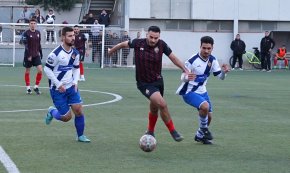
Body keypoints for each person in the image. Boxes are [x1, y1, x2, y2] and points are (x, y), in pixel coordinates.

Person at [108, 26, 188, 142]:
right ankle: (173, 131)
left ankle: (150, 131)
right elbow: (122, 44)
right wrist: (111, 50)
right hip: (144, 83)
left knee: (154, 108)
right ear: (147, 35)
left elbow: (173, 58)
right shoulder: (137, 43)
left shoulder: (162, 45)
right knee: (162, 104)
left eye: (156, 38)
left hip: (158, 81)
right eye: (151, 37)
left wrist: (184, 69)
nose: (153, 40)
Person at [176, 36, 229, 144]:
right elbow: (182, 77)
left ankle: (200, 136)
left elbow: (221, 77)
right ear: (200, 47)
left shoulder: (213, 60)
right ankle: (204, 130)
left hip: (203, 91)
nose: (206, 51)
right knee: (205, 107)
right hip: (189, 91)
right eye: (204, 48)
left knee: (209, 117)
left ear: (212, 48)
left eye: (208, 48)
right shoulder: (192, 60)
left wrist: (224, 72)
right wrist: (186, 77)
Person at [44, 26, 90, 143]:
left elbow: (76, 68)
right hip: (57, 90)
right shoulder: (55, 54)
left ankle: (80, 136)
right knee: (66, 117)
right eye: (70, 36)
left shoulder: (75, 53)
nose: (73, 38)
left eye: (73, 35)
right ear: (63, 37)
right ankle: (51, 111)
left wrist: (75, 82)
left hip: (71, 87)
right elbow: (47, 69)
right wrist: (58, 84)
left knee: (78, 110)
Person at [21, 18, 43, 95]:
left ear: (36, 24)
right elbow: (26, 45)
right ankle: (28, 88)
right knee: (27, 71)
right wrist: (29, 55)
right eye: (31, 23)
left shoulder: (38, 33)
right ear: (29, 24)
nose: (33, 25)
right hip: (28, 55)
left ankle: (36, 86)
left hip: (36, 55)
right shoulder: (26, 33)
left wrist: (41, 51)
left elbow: (39, 43)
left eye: (34, 23)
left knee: (40, 70)